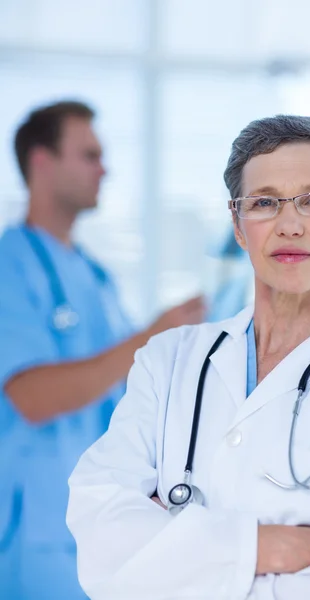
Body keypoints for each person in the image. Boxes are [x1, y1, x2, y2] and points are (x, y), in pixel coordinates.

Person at [67, 115, 310, 600]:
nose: (289, 224)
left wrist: (172, 555)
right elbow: (99, 533)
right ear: (238, 226)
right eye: (264, 202)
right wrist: (277, 547)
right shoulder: (169, 361)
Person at [0, 100, 204, 600]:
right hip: (34, 541)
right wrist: (145, 338)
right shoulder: (11, 266)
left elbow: (127, 392)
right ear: (42, 162)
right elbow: (33, 397)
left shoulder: (96, 277)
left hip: (96, 533)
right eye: (89, 155)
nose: (104, 168)